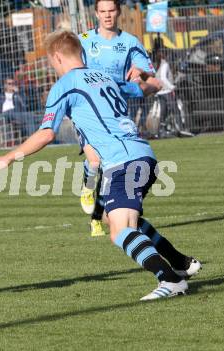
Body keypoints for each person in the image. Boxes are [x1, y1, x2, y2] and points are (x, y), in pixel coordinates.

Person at [0, 30, 201, 301]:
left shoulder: (66, 85)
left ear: (56, 57)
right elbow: (138, 90)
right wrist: (153, 83)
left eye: (50, 61)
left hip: (124, 161)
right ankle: (180, 263)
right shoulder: (104, 75)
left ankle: (169, 279)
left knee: (120, 230)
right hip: (139, 155)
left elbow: (46, 133)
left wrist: (8, 157)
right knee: (108, 216)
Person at [78, 0, 159, 237]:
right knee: (94, 161)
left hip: (115, 113)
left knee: (112, 167)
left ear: (119, 12)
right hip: (87, 111)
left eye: (111, 10)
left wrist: (140, 73)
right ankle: (87, 186)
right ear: (96, 13)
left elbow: (150, 77)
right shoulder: (83, 39)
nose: (107, 15)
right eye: (102, 11)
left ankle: (98, 216)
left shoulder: (130, 43)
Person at [0, 77, 34, 142]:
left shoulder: (18, 95)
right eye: (9, 84)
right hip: (4, 114)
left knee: (29, 116)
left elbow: (24, 105)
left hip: (17, 114)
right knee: (6, 116)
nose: (12, 85)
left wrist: (17, 93)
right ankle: (10, 142)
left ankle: (32, 139)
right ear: (5, 85)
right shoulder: (0, 96)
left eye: (13, 83)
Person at [155, 49, 177, 137]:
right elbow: (163, 78)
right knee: (175, 109)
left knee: (163, 112)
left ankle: (162, 130)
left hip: (160, 91)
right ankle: (181, 128)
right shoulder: (165, 64)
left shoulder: (157, 64)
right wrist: (172, 87)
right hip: (166, 91)